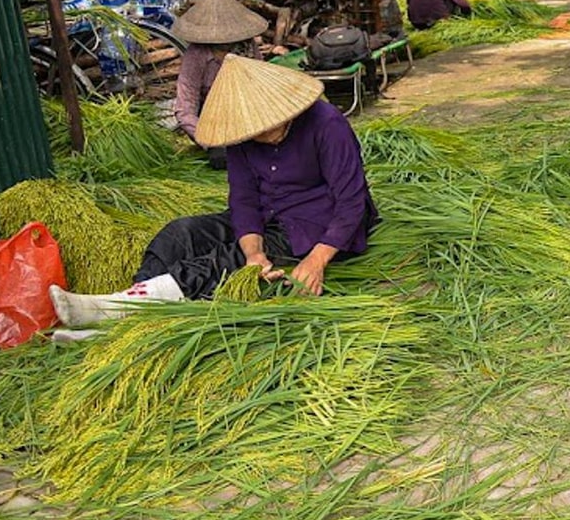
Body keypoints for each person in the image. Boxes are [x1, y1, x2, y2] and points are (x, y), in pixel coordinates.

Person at [49, 55, 377, 323]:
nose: (258, 136)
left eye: (265, 128)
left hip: (318, 222)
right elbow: (244, 200)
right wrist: (254, 254)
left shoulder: (327, 124)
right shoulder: (241, 132)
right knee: (181, 233)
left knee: (221, 261)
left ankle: (119, 312)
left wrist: (317, 260)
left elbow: (352, 201)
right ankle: (129, 304)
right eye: (251, 132)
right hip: (269, 216)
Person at [170, 0, 268, 167]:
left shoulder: (247, 46)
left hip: (247, 114)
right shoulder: (196, 55)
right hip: (213, 122)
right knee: (224, 159)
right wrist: (210, 139)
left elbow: (261, 83)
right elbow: (185, 110)